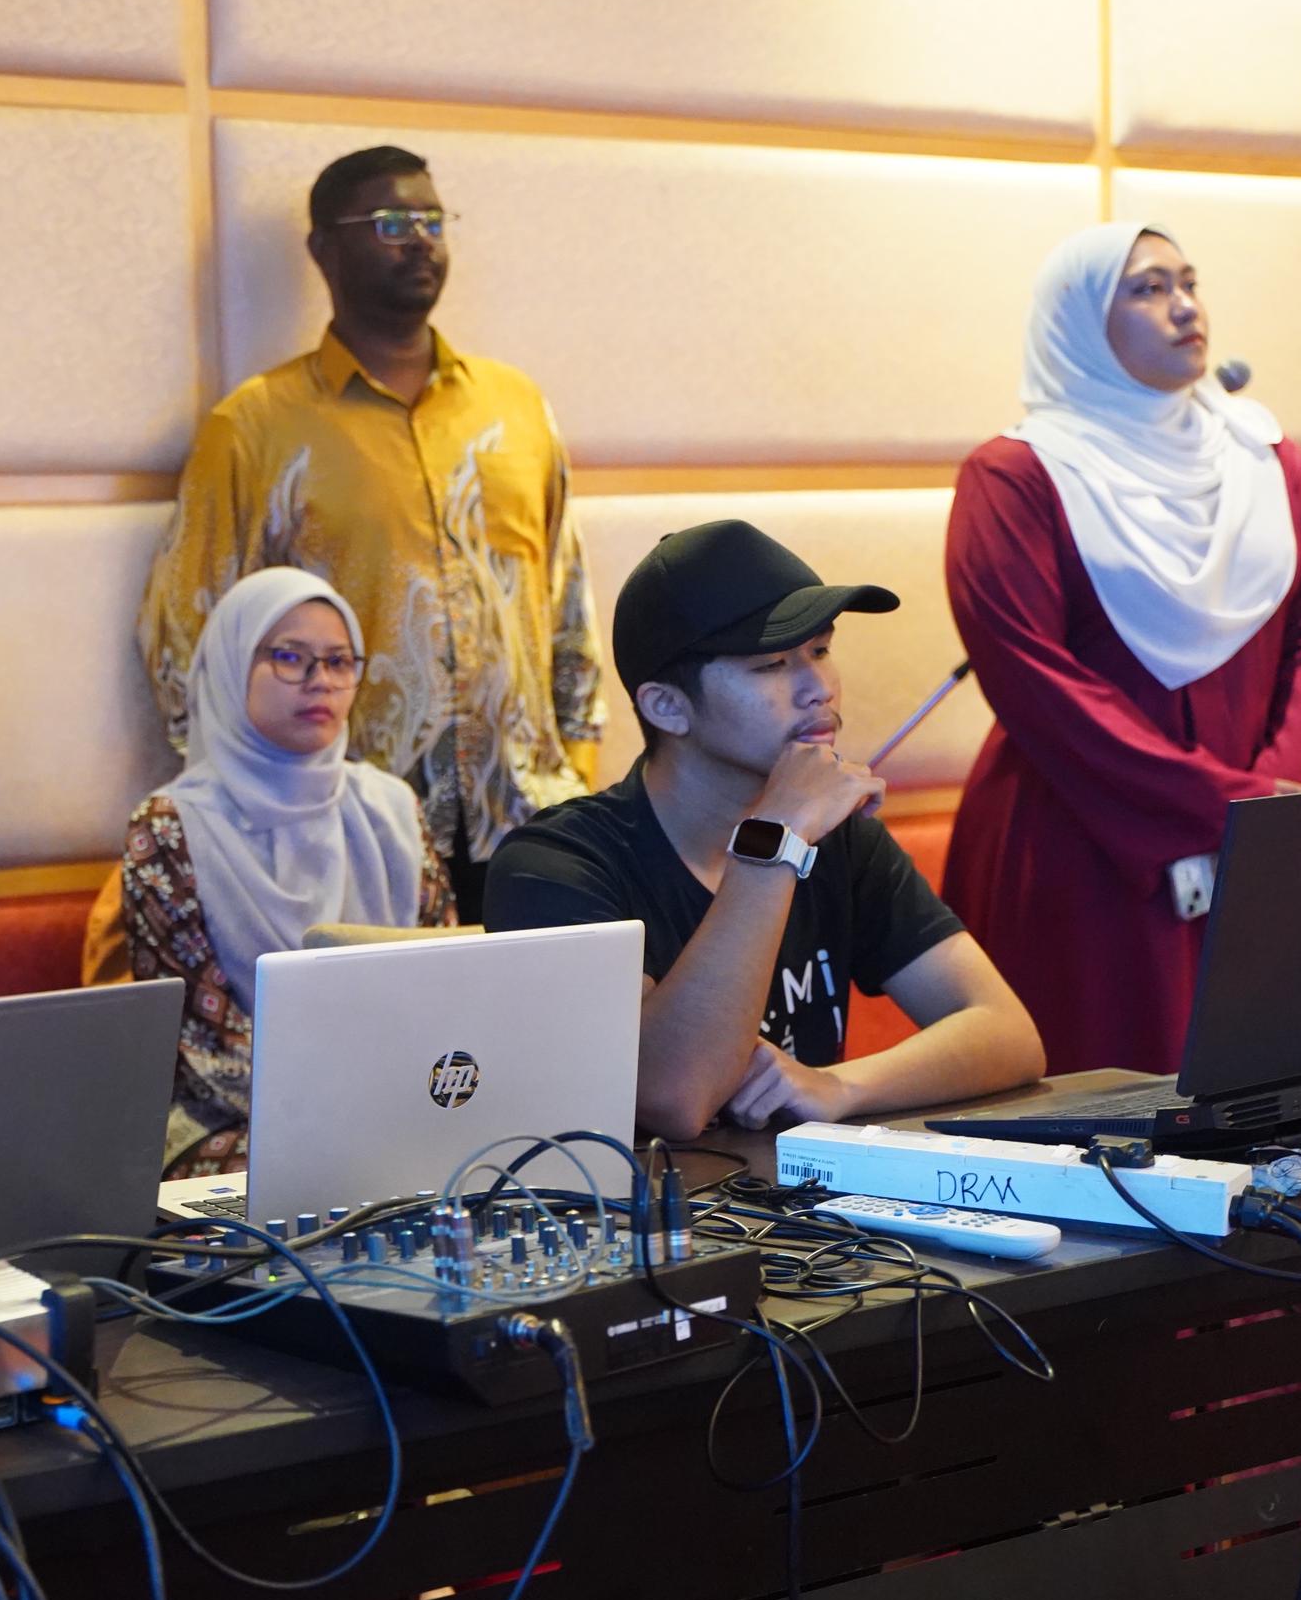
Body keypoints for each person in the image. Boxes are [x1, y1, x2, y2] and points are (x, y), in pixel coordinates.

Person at [136, 144, 603, 923]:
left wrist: (578, 780)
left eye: (432, 221)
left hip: (527, 821)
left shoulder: (516, 408)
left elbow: (567, 604)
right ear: (324, 249)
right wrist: (258, 810)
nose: (420, 240)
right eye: (391, 222)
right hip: (350, 838)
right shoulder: (256, 428)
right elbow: (187, 639)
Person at [942, 224, 1301, 1074]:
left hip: (1253, 840)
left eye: (1189, 282)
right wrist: (1231, 803)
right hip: (1085, 845)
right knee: (1099, 1114)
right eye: (1148, 289)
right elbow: (1036, 682)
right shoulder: (1016, 475)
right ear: (1078, 323)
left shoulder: (1265, 455)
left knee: (1262, 1104)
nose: (1185, 307)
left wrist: (1272, 806)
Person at [484, 521, 1044, 1140]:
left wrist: (839, 1086)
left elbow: (1008, 1032)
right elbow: (672, 1097)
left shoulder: (834, 835)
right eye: (772, 664)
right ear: (667, 706)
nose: (819, 689)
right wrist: (772, 843)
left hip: (805, 1200)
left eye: (821, 651)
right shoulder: (556, 866)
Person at [124, 567, 455, 1175]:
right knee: (331, 1173)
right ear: (231, 668)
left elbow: (448, 984)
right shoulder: (171, 829)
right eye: (289, 657)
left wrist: (417, 1099)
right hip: (233, 1121)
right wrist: (352, 1116)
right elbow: (202, 1044)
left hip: (400, 1102)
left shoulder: (394, 811)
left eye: (339, 661)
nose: (320, 680)